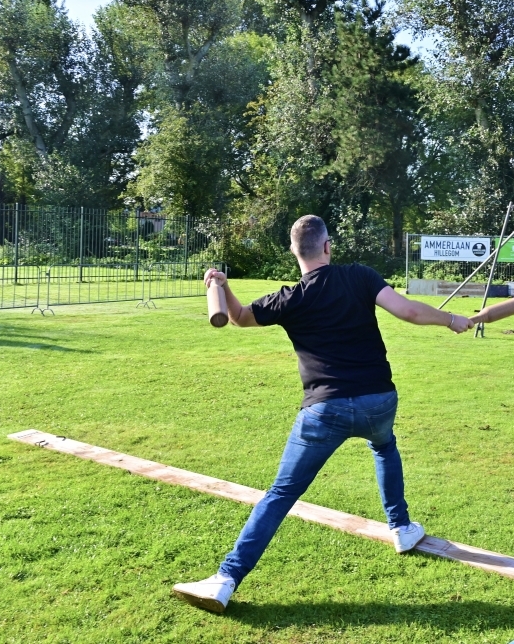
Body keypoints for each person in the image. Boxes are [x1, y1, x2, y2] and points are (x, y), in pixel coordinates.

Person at [171, 215, 473, 614]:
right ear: (328, 246)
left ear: (294, 252)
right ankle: (401, 527)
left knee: (282, 494)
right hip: (379, 401)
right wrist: (451, 319)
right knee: (384, 446)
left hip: (325, 409)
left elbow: (239, 316)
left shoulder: (290, 298)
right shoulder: (360, 276)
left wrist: (222, 286)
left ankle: (225, 579)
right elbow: (409, 312)